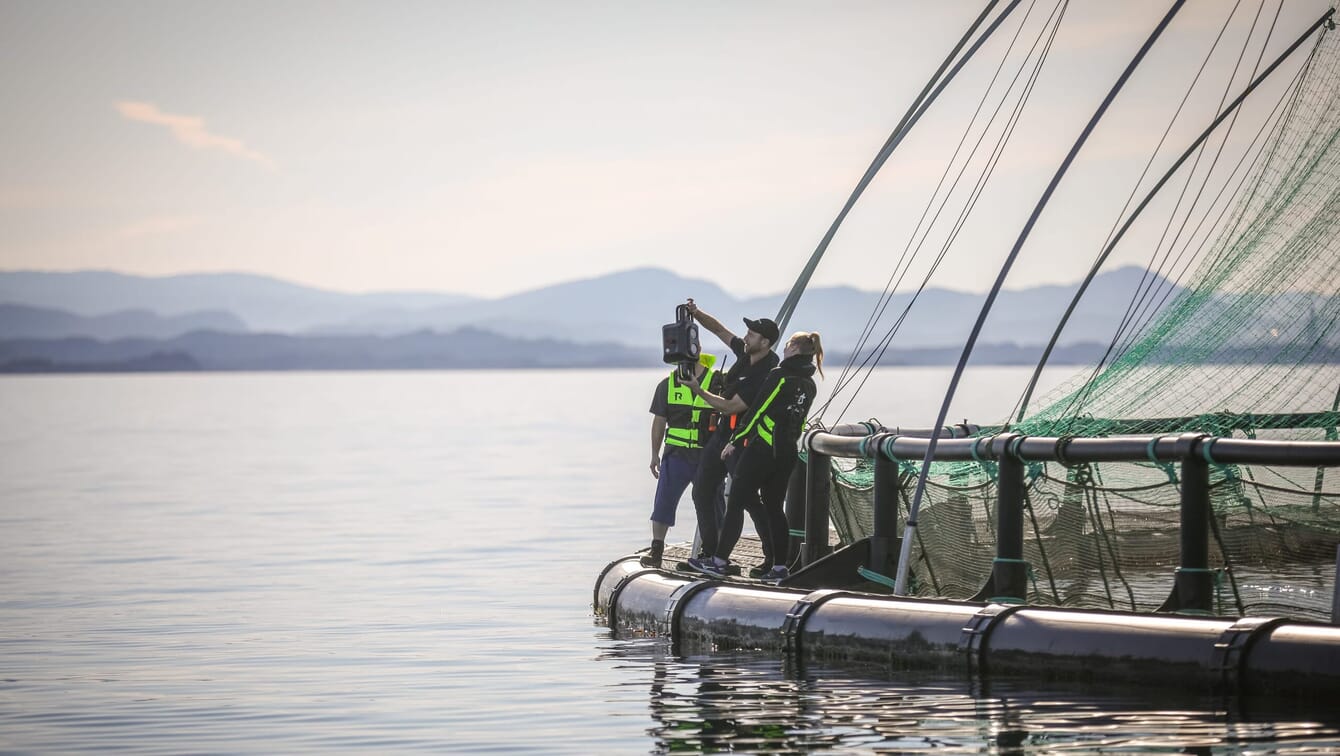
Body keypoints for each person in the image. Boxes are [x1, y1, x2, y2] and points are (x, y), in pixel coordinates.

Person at [688, 330, 823, 581]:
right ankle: (780, 568)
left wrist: (735, 440)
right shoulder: (809, 384)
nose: (784, 348)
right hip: (787, 452)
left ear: (793, 349)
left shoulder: (780, 376)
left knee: (736, 502)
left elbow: (758, 411)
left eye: (788, 344)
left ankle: (718, 561)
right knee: (774, 507)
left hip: (763, 450)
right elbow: (799, 421)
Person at [676, 301, 781, 572]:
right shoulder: (746, 353)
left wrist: (697, 390)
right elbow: (720, 330)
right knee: (701, 492)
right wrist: (696, 314)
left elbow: (731, 406)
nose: (746, 337)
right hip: (721, 436)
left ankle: (772, 557)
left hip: (742, 441)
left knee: (746, 501)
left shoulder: (767, 370)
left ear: (766, 342)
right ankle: (709, 553)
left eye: (752, 335)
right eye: (747, 333)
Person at [639, 351, 724, 568]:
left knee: (714, 504)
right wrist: (654, 454)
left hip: (709, 455)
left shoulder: (717, 381)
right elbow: (659, 422)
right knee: (663, 502)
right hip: (676, 454)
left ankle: (715, 553)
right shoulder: (666, 385)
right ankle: (656, 551)